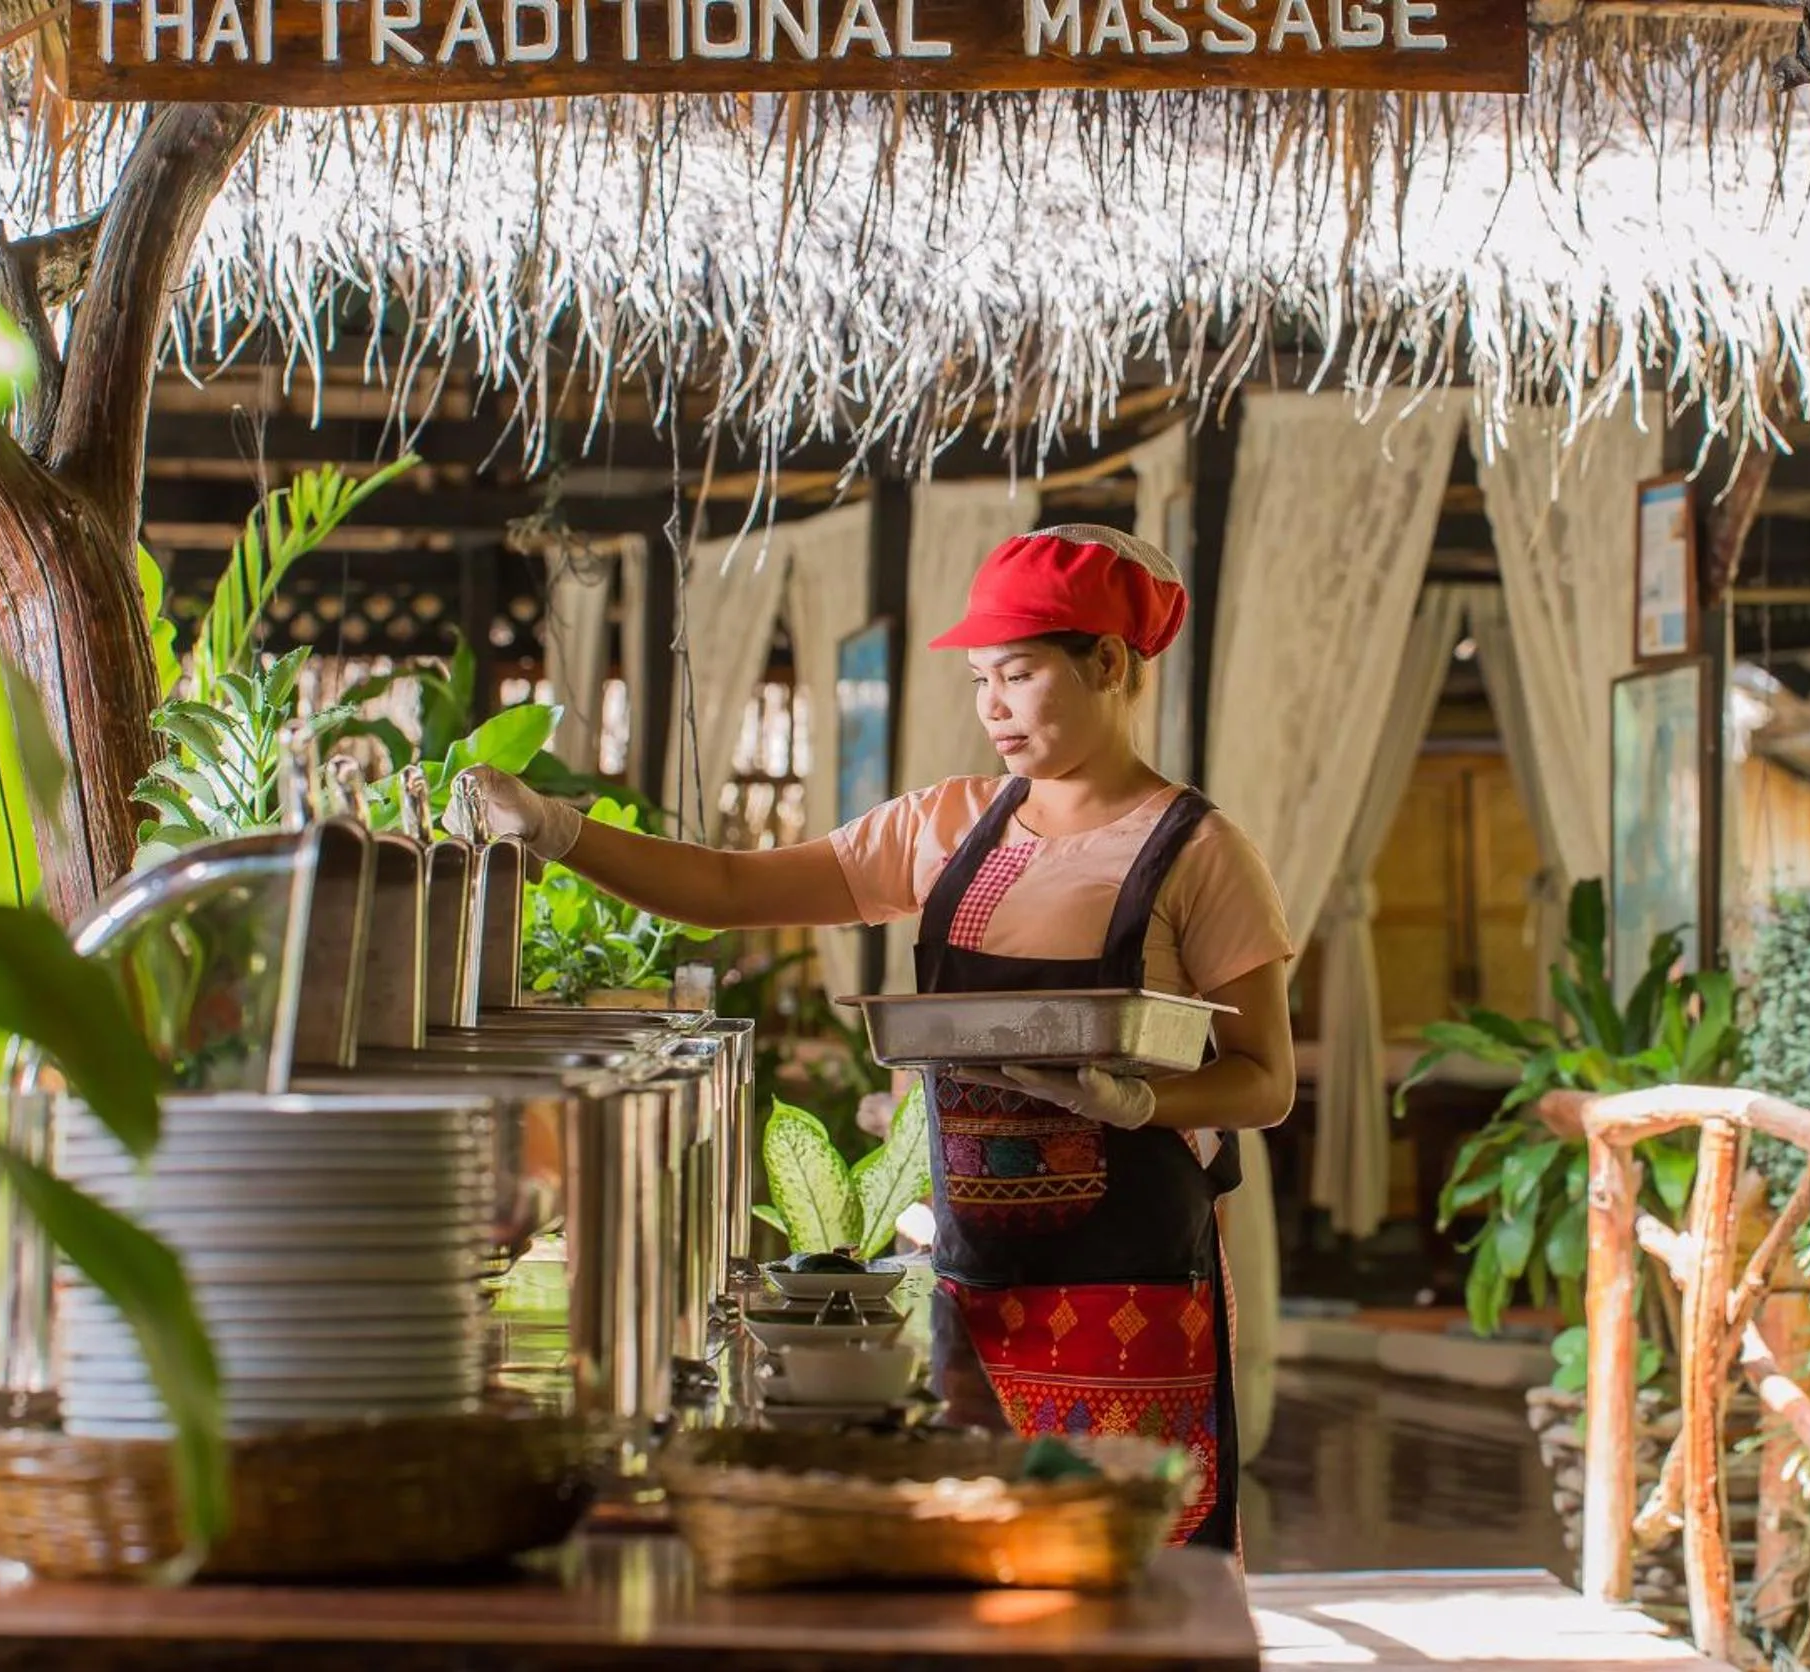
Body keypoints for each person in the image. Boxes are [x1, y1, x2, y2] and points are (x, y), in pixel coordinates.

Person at [450, 524, 1295, 1548]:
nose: (991, 706)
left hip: (1130, 1283)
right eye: (981, 678)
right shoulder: (947, 826)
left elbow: (1263, 1081)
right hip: (975, 1281)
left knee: (1134, 1568)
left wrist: (1141, 1100)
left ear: (1109, 662)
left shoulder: (1198, 852)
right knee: (976, 1564)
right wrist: (557, 827)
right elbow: (726, 889)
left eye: (1019, 674)